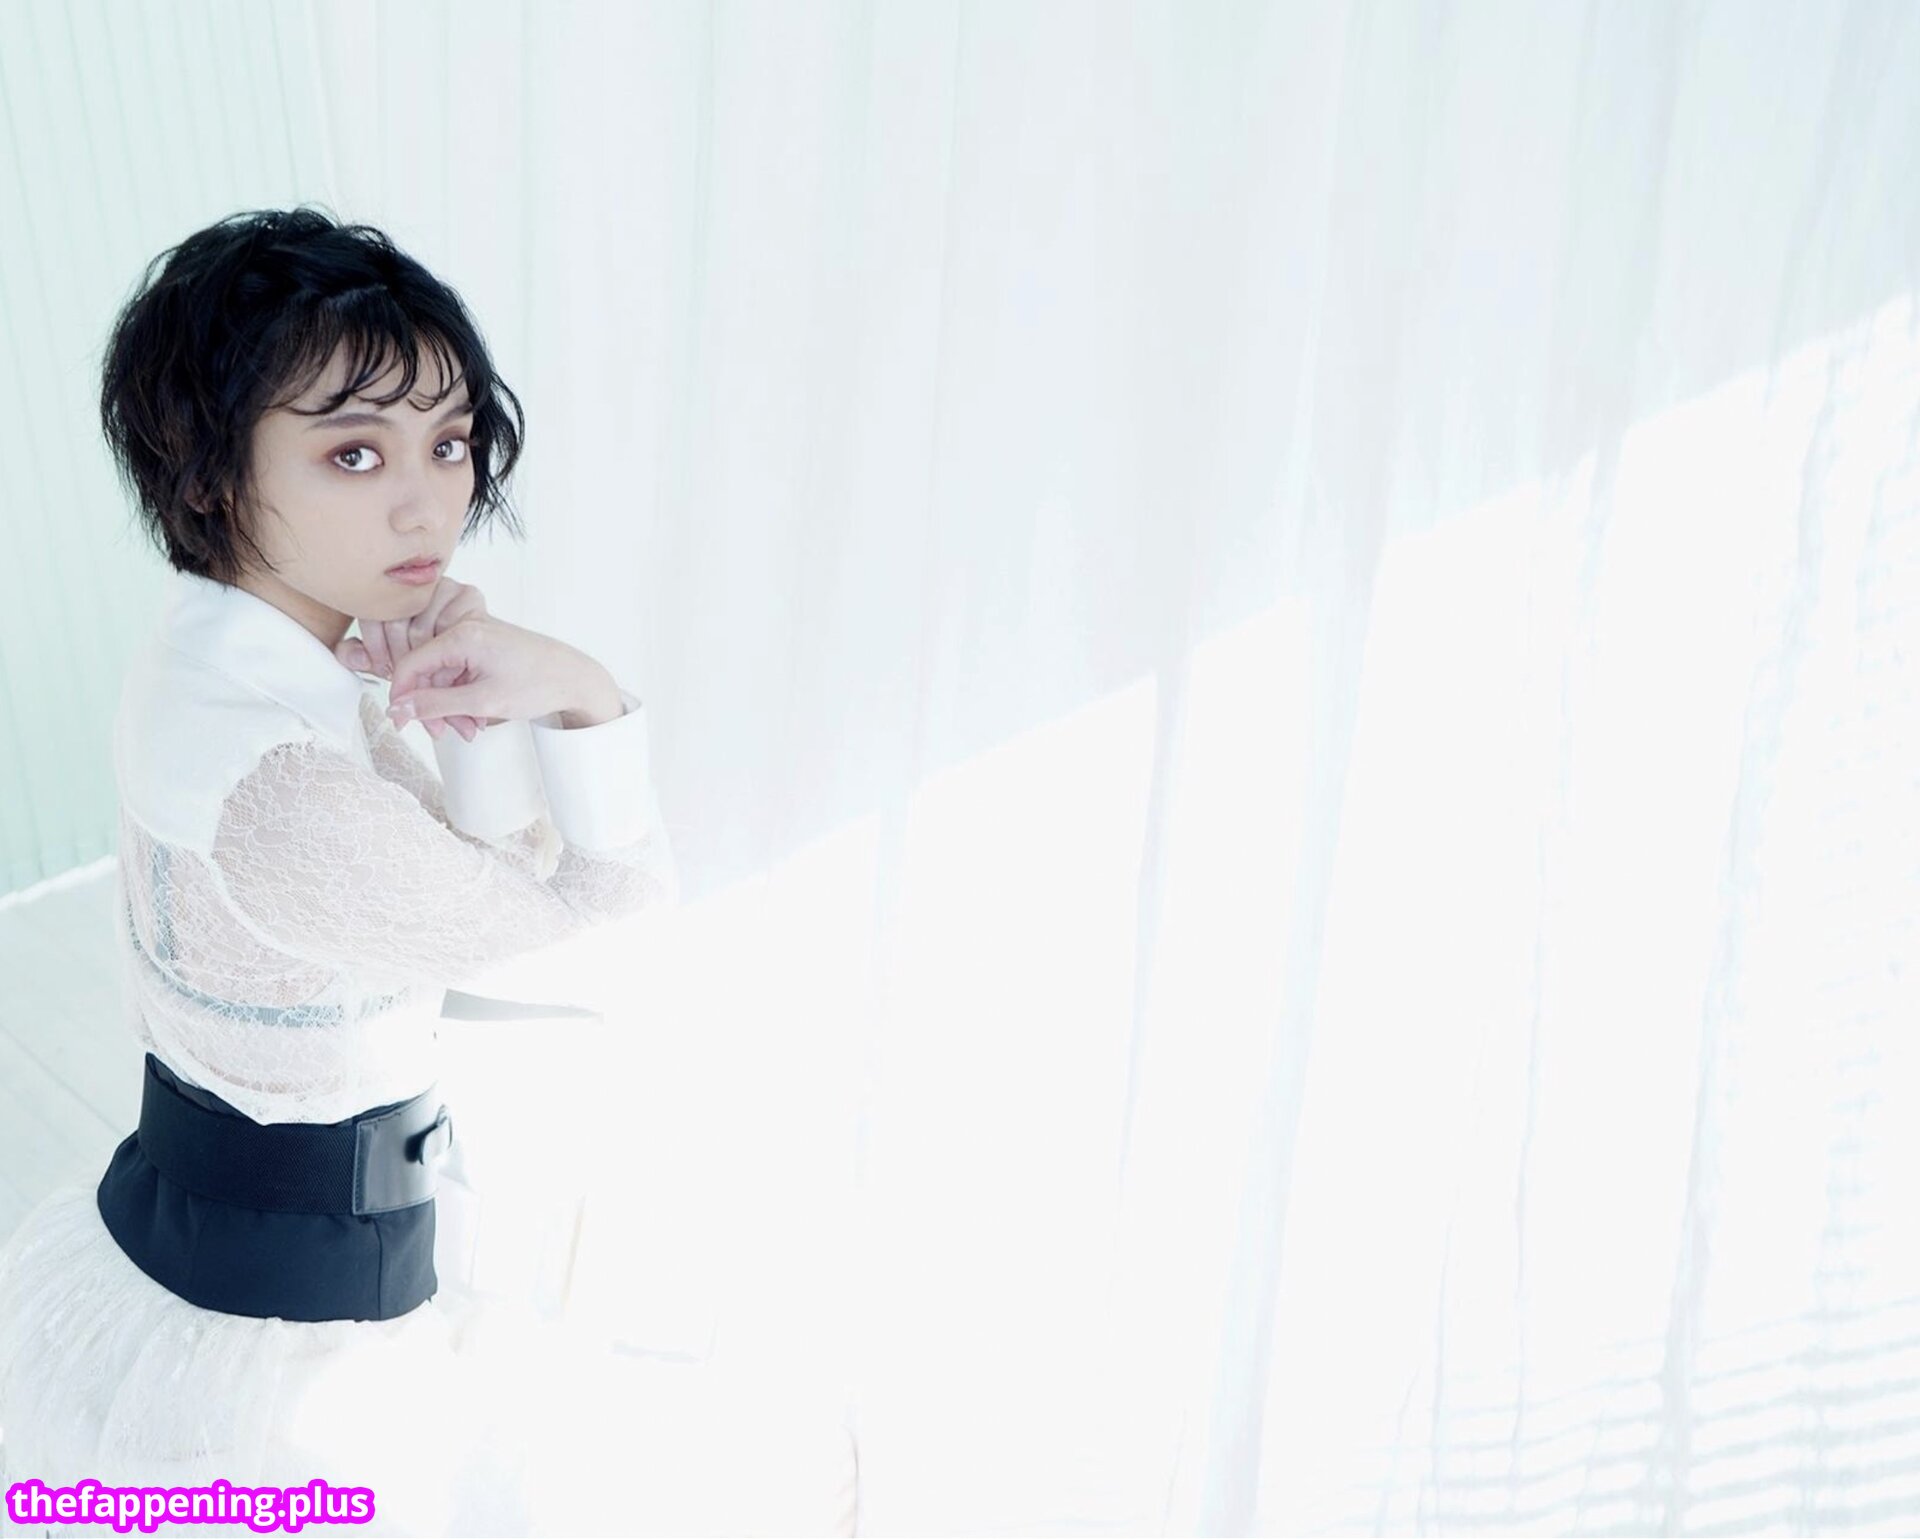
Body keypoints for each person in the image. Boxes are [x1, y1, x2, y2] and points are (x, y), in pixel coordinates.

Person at [0, 208, 856, 1536]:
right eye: (354, 452)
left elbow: (479, 879)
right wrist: (578, 695)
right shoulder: (282, 786)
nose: (428, 503)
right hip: (293, 1342)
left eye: (447, 444)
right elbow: (609, 948)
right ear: (208, 472)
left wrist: (470, 706)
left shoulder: (215, 657)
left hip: (215, 1239)